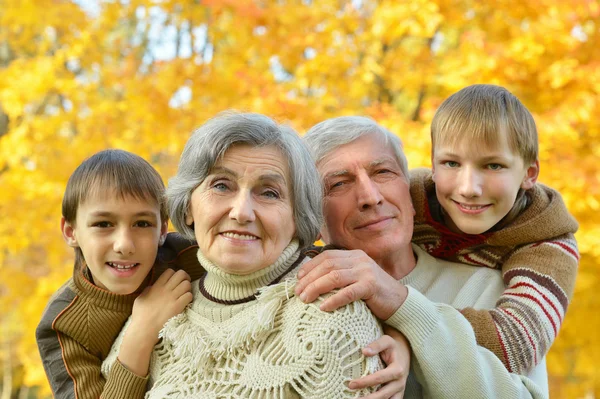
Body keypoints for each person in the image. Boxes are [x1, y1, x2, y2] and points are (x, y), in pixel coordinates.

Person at [102, 112, 405, 398]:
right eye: (221, 186)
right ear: (188, 207)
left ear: (298, 218)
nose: (241, 212)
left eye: (269, 192)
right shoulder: (155, 311)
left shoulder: (331, 315)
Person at [295, 115, 550, 398]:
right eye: (339, 184)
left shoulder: (488, 287)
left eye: (382, 172)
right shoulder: (297, 299)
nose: (370, 196)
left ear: (410, 194)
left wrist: (403, 307)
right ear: (314, 219)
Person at [409, 84, 579, 373]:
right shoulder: (406, 200)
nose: (469, 188)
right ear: (433, 166)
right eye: (451, 163)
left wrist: (404, 319)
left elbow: (517, 344)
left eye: (493, 166)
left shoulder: (547, 241)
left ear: (529, 174)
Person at [36, 149, 204, 399]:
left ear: (162, 229)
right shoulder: (61, 324)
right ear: (71, 232)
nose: (124, 244)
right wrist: (142, 330)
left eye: (142, 224)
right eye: (103, 224)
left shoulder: (189, 254)